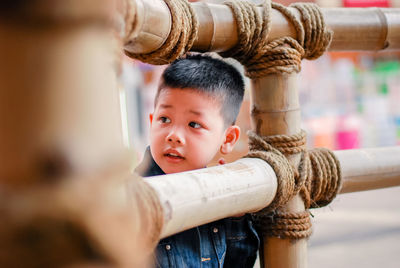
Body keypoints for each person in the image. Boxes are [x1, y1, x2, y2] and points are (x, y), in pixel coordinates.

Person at [135, 54, 259, 267]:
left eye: (194, 124)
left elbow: (238, 263)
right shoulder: (135, 196)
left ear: (227, 138)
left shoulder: (218, 192)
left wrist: (235, 216)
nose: (173, 135)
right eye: (164, 119)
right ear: (151, 121)